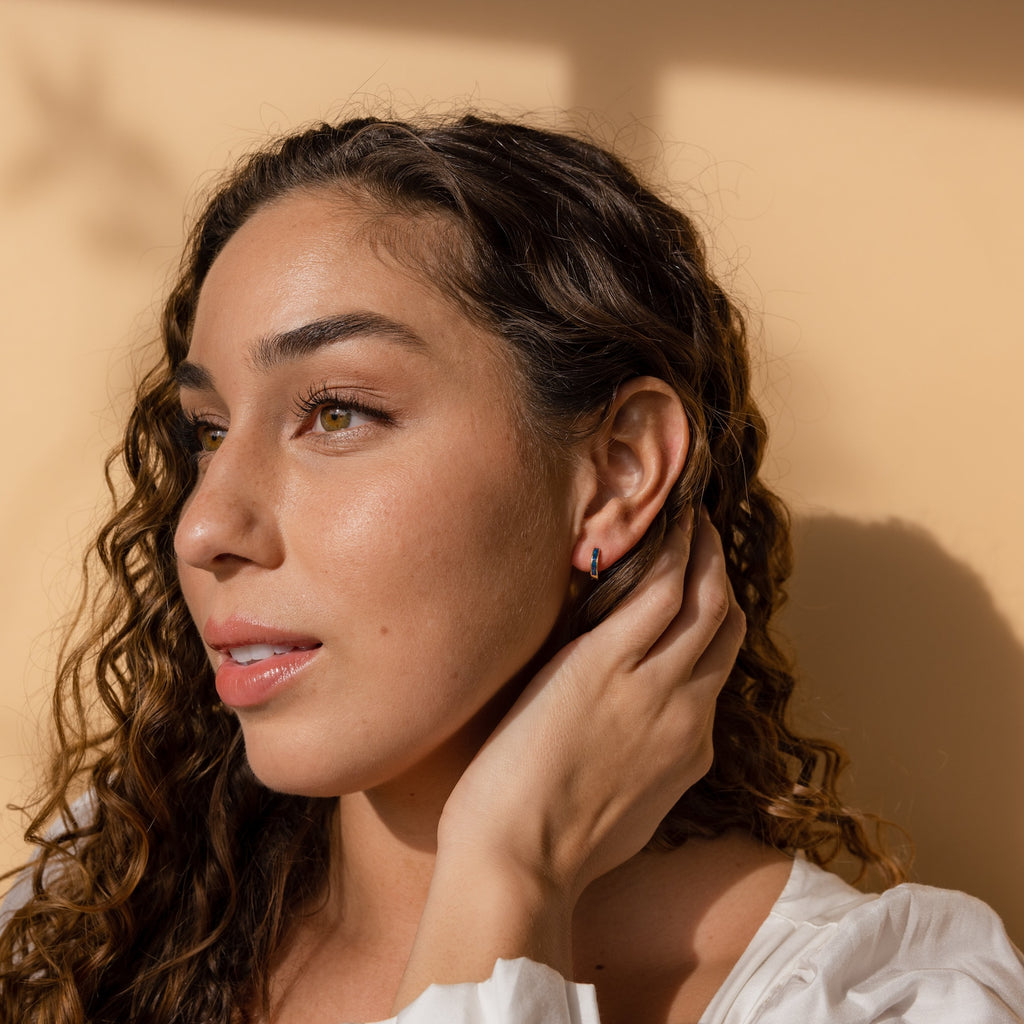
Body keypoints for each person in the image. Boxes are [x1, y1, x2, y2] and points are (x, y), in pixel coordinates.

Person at [0, 113, 1021, 1024]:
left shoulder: (870, 999)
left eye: (338, 411)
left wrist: (507, 871)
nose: (203, 523)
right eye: (207, 430)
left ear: (619, 470)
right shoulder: (93, 916)